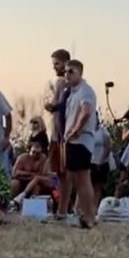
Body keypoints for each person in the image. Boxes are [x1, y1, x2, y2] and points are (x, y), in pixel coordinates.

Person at [62, 60, 98, 228]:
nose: (67, 75)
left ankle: (90, 217)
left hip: (81, 140)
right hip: (73, 140)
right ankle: (84, 214)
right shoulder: (73, 92)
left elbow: (86, 111)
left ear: (80, 73)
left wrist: (76, 130)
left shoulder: (85, 91)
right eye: (65, 72)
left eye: (71, 71)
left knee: (83, 179)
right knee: (77, 179)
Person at [45, 50, 71, 209]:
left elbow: (60, 105)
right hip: (56, 132)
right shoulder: (62, 82)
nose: (54, 67)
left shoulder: (63, 82)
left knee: (64, 174)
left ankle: (63, 207)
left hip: (61, 134)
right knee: (60, 174)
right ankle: (62, 207)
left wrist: (51, 106)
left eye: (57, 64)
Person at [91, 121, 113, 205]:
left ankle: (94, 206)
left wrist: (102, 159)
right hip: (91, 162)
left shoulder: (103, 131)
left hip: (101, 162)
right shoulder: (88, 130)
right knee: (89, 185)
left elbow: (108, 146)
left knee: (98, 186)